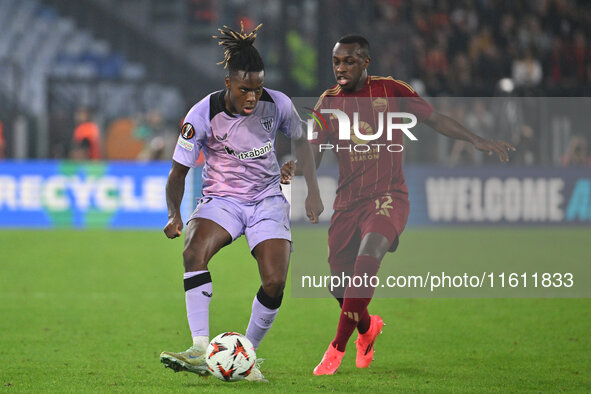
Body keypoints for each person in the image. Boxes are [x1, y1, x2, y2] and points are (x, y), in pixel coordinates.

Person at [281, 35, 515, 376]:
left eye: (348, 61)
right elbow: (314, 151)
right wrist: (300, 172)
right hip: (347, 204)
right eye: (336, 62)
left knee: (368, 258)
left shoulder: (391, 90)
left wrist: (476, 139)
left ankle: (336, 348)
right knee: (339, 287)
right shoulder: (327, 102)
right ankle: (367, 329)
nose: (341, 68)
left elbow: (435, 119)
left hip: (388, 197)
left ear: (365, 62)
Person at [159, 23, 323, 382]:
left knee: (275, 282)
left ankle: (244, 356)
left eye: (257, 89)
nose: (252, 97)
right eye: (245, 89)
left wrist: (310, 186)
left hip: (266, 199)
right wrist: (174, 214)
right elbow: (177, 173)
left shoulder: (277, 104)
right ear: (229, 84)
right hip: (223, 200)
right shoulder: (202, 114)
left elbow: (304, 141)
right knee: (192, 251)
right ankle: (200, 348)